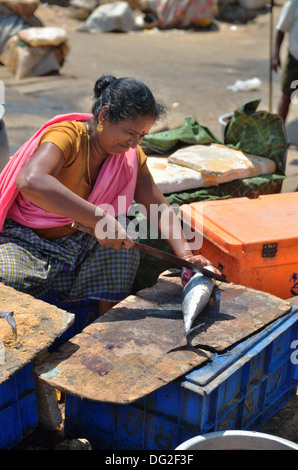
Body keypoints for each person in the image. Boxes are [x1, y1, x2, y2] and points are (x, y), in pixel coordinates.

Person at [0, 75, 220, 316]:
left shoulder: (131, 157)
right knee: (8, 282)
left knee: (125, 239)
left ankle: (101, 330)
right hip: (26, 241)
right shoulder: (67, 136)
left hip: (78, 240)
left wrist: (187, 257)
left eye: (142, 136)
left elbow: (158, 207)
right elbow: (31, 181)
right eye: (130, 132)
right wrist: (99, 219)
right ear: (104, 116)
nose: (134, 143)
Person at [271, 0, 298, 122]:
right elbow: (281, 29)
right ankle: (280, 133)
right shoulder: (294, 5)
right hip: (295, 57)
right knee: (287, 94)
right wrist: (276, 56)